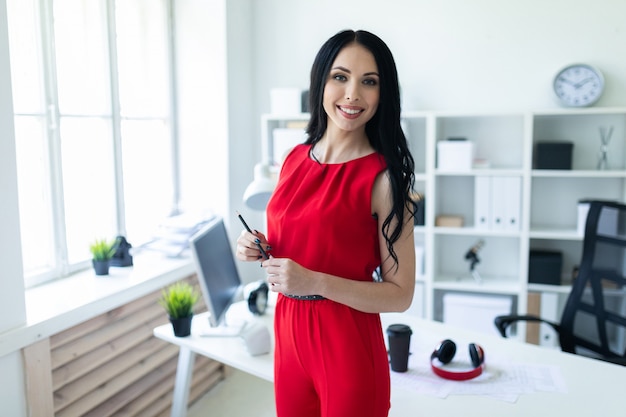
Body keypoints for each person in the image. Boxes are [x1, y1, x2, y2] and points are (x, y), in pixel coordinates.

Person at [236, 29, 416, 417]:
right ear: (321, 83)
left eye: (369, 82)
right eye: (341, 76)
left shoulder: (385, 181)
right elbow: (296, 240)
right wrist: (255, 244)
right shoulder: (292, 158)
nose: (352, 94)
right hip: (287, 333)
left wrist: (315, 281)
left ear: (383, 95)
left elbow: (401, 294)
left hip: (347, 343)